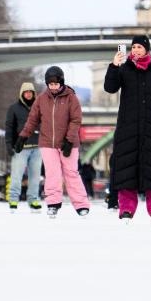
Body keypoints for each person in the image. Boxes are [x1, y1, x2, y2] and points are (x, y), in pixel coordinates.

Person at [103, 36, 151, 221]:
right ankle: (126, 208)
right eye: (133, 47)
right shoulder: (124, 69)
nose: (135, 50)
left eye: (139, 47)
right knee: (127, 168)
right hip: (128, 128)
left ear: (146, 49)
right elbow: (110, 88)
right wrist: (114, 66)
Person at [17, 66, 90, 218]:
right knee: (52, 174)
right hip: (47, 143)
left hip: (68, 143)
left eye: (56, 84)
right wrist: (23, 136)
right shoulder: (42, 99)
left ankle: (81, 205)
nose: (54, 87)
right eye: (50, 84)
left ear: (61, 82)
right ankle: (53, 204)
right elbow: (32, 120)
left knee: (71, 173)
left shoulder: (71, 98)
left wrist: (69, 141)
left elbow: (76, 120)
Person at [4, 82, 42, 212]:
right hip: (20, 148)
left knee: (35, 177)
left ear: (33, 93)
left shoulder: (39, 108)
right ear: (22, 93)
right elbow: (9, 128)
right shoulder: (14, 108)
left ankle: (33, 200)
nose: (28, 94)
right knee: (16, 175)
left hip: (37, 147)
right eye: (26, 92)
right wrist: (9, 144)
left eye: (30, 92)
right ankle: (13, 199)